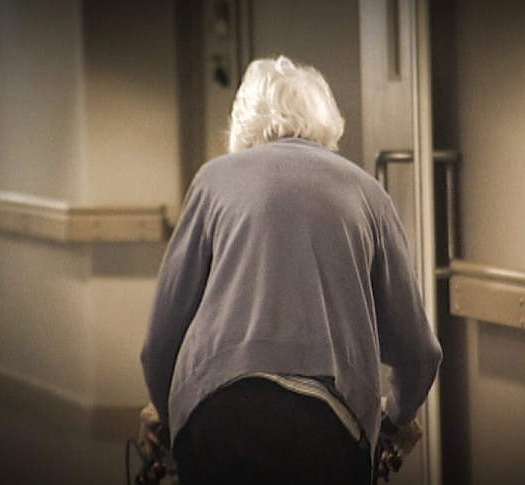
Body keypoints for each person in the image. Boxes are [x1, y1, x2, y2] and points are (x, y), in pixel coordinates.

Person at [139, 55, 442, 485]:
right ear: (327, 121)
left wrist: (165, 415)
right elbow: (419, 352)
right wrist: (399, 415)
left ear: (243, 122)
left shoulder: (213, 181)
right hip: (326, 422)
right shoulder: (367, 194)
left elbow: (159, 343)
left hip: (216, 414)